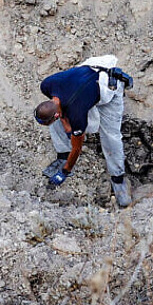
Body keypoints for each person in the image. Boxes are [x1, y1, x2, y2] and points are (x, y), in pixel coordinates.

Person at [34, 55, 133, 207]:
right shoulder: (47, 85)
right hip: (84, 81)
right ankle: (62, 156)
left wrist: (65, 172)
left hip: (108, 86)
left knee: (110, 136)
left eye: (58, 116)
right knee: (55, 124)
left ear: (57, 113)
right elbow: (59, 110)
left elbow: (77, 147)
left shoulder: (76, 112)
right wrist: (67, 126)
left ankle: (118, 180)